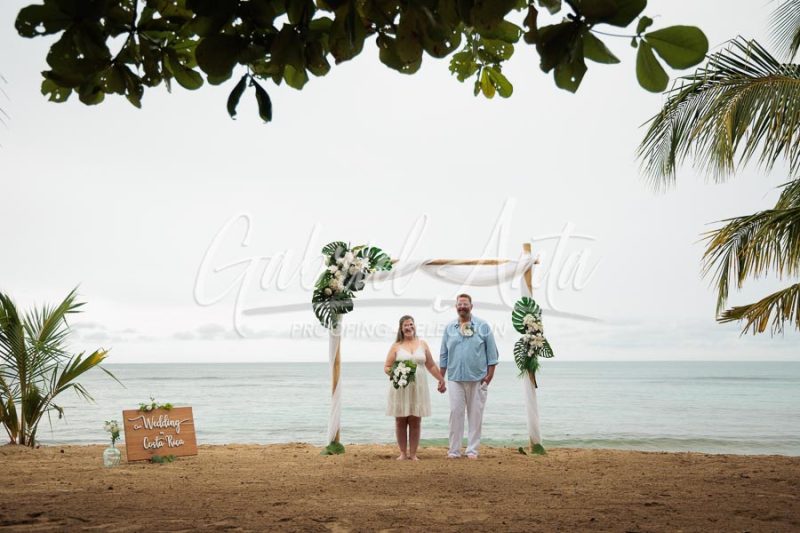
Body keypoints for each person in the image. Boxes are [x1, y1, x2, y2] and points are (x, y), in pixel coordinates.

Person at [439, 293, 498, 459]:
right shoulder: (449, 328)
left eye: (465, 304)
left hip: (477, 378)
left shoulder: (483, 326)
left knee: (475, 415)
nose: (462, 307)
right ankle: (454, 451)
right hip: (455, 378)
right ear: (456, 307)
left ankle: (472, 450)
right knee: (455, 413)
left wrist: (489, 376)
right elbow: (444, 354)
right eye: (460, 304)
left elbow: (492, 353)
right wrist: (441, 377)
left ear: (471, 306)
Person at [384, 315, 446, 461]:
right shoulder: (396, 346)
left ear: (414, 326)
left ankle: (413, 454)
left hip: (419, 387)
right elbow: (387, 367)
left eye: (411, 324)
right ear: (401, 328)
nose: (409, 327)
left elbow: (430, 365)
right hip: (400, 388)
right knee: (400, 420)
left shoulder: (422, 344)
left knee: (415, 420)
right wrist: (395, 373)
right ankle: (403, 453)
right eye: (405, 325)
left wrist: (441, 379)